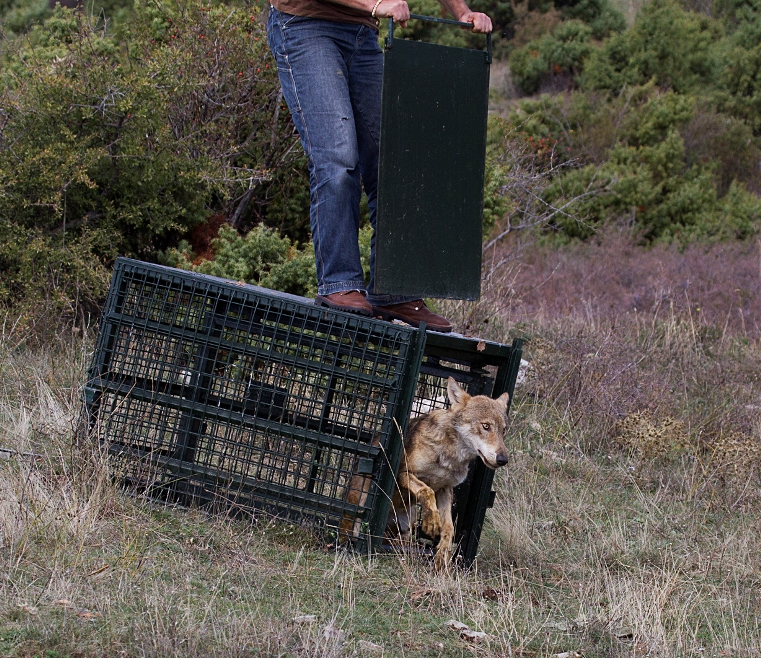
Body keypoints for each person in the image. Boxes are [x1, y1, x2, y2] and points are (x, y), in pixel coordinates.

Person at [267, 0, 492, 333]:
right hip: (305, 26)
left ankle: (395, 291)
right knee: (338, 158)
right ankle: (340, 284)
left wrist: (462, 12)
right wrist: (375, 4)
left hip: (363, 33)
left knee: (396, 161)